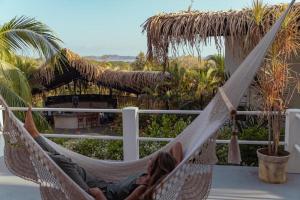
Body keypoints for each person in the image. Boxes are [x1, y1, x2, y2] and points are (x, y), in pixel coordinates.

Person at [24, 107, 183, 200]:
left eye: (152, 161)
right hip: (100, 183)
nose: (148, 161)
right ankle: (34, 136)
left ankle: (33, 146)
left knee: (62, 163)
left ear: (154, 167)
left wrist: (100, 197)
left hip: (94, 194)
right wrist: (172, 167)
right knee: (68, 162)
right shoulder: (162, 173)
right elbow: (177, 145)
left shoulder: (143, 188)